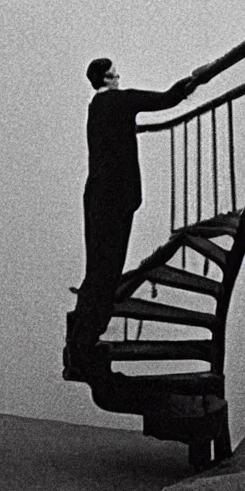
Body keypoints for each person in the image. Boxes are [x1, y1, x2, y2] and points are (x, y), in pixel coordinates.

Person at [65, 58, 196, 380]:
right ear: (107, 78)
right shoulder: (118, 101)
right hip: (115, 197)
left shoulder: (96, 108)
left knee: (98, 267)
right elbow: (164, 99)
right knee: (107, 269)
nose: (119, 77)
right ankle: (85, 342)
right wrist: (191, 82)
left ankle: (80, 339)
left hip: (97, 195)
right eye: (114, 73)